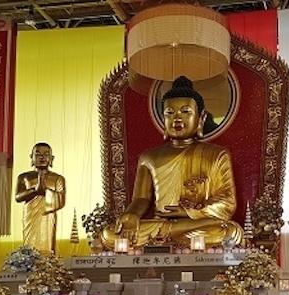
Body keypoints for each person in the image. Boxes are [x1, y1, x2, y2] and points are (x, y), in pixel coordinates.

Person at [102, 76, 243, 249]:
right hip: (160, 224)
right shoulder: (150, 157)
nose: (177, 118)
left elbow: (227, 202)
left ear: (201, 119)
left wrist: (187, 212)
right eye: (170, 113)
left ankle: (163, 239)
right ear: (163, 119)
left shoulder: (217, 154)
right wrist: (131, 215)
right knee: (109, 234)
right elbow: (141, 198)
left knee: (230, 232)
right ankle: (169, 237)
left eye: (185, 112)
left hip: (197, 224)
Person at [15, 142, 66, 253]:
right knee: (30, 245)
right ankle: (28, 260)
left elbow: (61, 200)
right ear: (31, 157)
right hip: (31, 215)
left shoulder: (58, 178)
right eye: (38, 154)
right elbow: (18, 197)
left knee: (47, 246)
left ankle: (48, 261)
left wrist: (45, 191)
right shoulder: (24, 177)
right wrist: (34, 191)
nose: (42, 157)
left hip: (48, 216)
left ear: (51, 158)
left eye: (46, 154)